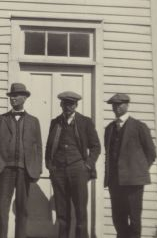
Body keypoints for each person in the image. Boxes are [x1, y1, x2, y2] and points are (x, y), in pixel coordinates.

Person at [0, 83, 42, 238]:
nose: (13, 99)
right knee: (3, 210)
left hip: (24, 170)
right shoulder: (1, 119)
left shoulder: (33, 121)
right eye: (11, 96)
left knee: (22, 209)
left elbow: (38, 147)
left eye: (17, 95)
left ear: (24, 98)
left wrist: (37, 169)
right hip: (5, 170)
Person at [45, 91, 101, 238]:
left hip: (79, 171)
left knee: (81, 212)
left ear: (76, 105)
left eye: (71, 104)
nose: (68, 107)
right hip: (59, 173)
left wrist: (88, 165)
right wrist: (50, 166)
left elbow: (96, 147)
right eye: (65, 103)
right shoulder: (55, 122)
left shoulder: (85, 122)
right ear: (61, 104)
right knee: (62, 213)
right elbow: (49, 147)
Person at [105, 93, 156, 238]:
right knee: (118, 219)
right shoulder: (109, 129)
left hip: (134, 182)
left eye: (119, 104)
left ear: (127, 105)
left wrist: (138, 170)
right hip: (115, 182)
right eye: (114, 105)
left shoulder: (139, 126)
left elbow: (151, 153)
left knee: (134, 219)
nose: (116, 107)